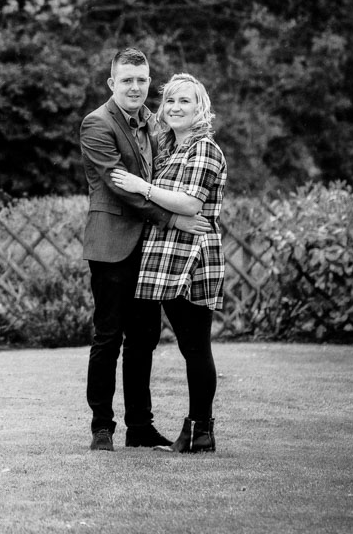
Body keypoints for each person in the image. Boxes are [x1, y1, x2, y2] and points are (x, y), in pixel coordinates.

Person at [79, 49, 210, 452]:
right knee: (108, 337)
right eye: (127, 80)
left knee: (144, 337)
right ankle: (102, 426)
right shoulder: (97, 124)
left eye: (142, 80)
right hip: (112, 245)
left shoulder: (154, 123)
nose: (136, 87)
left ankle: (140, 426)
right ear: (111, 83)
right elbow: (120, 187)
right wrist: (173, 218)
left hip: (151, 250)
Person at [110, 73, 228, 454]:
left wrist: (140, 186)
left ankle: (200, 430)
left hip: (191, 255)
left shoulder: (203, 149)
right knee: (169, 344)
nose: (176, 107)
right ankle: (169, 430)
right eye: (171, 101)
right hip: (162, 253)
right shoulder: (167, 148)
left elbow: (191, 204)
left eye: (185, 102)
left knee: (194, 346)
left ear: (201, 110)